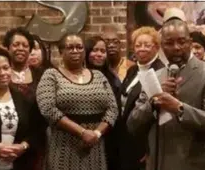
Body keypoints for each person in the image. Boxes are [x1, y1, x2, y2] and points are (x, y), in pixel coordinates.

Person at [127, 19, 205, 170]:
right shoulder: (155, 76)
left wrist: (179, 108)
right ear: (162, 46)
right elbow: (132, 124)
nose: (176, 48)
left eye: (182, 42)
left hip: (193, 164)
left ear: (190, 42)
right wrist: (153, 103)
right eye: (169, 43)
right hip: (157, 163)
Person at [36, 33, 119, 170]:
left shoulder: (98, 76)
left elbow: (113, 108)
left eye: (79, 47)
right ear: (61, 51)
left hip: (94, 146)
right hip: (63, 146)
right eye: (70, 47)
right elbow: (48, 109)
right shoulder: (51, 75)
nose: (75, 51)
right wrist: (82, 132)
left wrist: (96, 134)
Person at [0, 45, 39, 170]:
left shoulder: (23, 98)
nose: (3, 73)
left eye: (6, 68)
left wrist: (23, 146)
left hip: (19, 164)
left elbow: (37, 129)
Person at [119, 26, 165, 170]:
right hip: (126, 137)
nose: (142, 49)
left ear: (156, 47)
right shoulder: (133, 70)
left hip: (144, 142)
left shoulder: (161, 71)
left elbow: (157, 113)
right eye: (138, 45)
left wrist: (148, 146)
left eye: (147, 45)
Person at [2, 27, 47, 170]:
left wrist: (26, 144)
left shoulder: (42, 76)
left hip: (35, 144)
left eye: (25, 45)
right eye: (16, 45)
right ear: (7, 48)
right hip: (3, 145)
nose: (21, 48)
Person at [85, 36, 122, 170]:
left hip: (109, 135)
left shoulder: (112, 78)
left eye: (102, 51)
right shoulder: (78, 75)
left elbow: (116, 108)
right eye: (95, 50)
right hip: (83, 133)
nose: (99, 54)